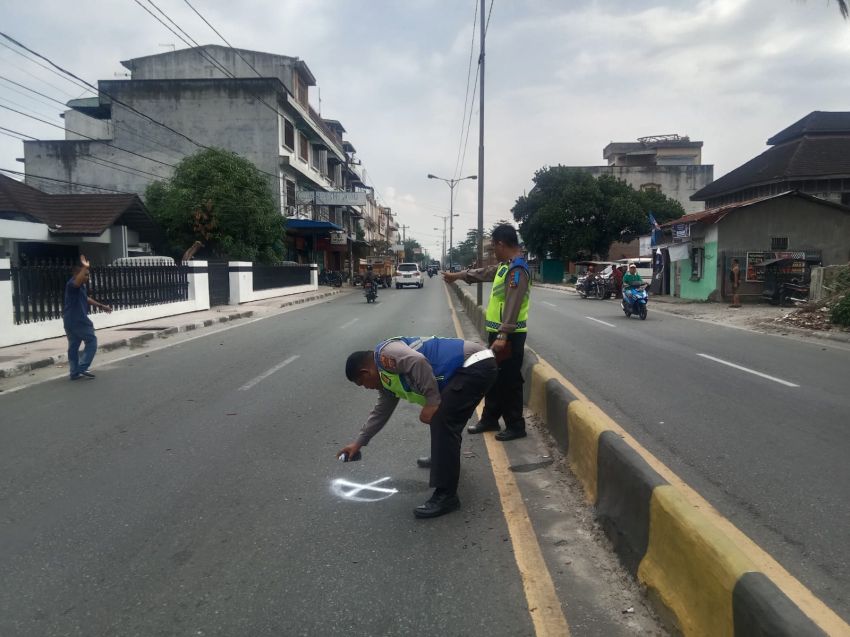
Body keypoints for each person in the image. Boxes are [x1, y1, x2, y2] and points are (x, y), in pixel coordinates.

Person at [338, 336, 498, 519]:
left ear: (365, 372)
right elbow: (381, 412)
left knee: (441, 419)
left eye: (362, 384)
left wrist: (432, 402)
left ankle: (446, 496)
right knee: (444, 419)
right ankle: (443, 460)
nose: (366, 388)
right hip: (471, 367)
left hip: (475, 365)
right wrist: (359, 442)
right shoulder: (386, 380)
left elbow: (417, 360)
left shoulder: (385, 355)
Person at [442, 224, 531, 442]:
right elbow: (483, 273)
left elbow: (513, 304)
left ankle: (516, 425)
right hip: (498, 333)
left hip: (509, 335)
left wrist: (503, 335)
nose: (493, 251)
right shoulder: (505, 266)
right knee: (493, 377)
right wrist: (457, 275)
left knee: (509, 380)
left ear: (501, 243)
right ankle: (490, 418)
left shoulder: (517, 270)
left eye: (493, 247)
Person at [63, 255, 112, 380]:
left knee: (73, 346)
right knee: (91, 342)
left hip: (69, 320)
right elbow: (77, 281)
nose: (87, 277)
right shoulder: (72, 285)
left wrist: (101, 306)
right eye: (85, 274)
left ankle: (74, 372)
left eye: (88, 274)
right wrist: (85, 267)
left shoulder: (80, 287)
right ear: (76, 274)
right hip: (78, 320)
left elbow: (86, 299)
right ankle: (82, 367)